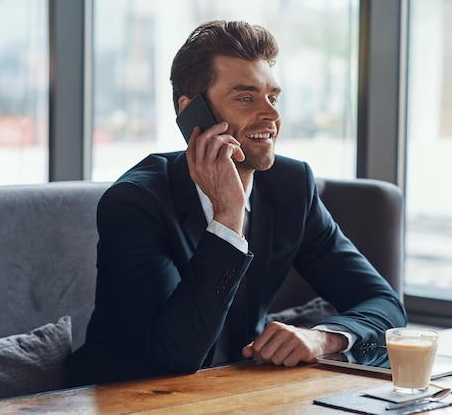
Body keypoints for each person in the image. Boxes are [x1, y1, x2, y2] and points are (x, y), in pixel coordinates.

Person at [67, 20, 406, 386]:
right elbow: (175, 353)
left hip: (242, 391)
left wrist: (322, 337)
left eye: (273, 97)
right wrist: (228, 215)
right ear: (191, 111)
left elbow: (385, 304)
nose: (272, 116)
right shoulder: (135, 203)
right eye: (246, 97)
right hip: (129, 396)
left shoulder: (291, 187)